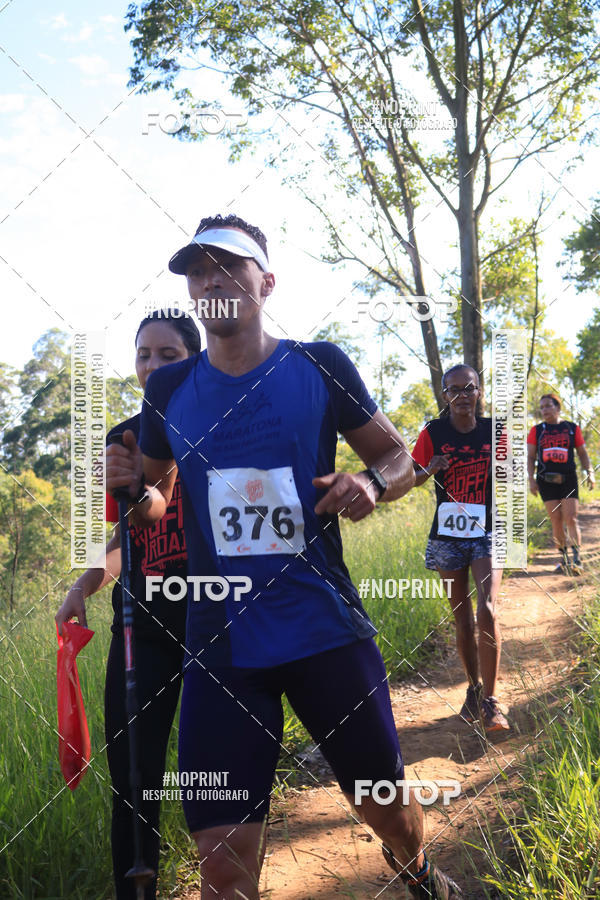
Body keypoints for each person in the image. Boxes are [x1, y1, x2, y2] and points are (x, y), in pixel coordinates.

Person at [106, 214, 463, 899]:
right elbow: (156, 495)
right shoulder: (169, 392)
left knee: (382, 801)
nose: (211, 279)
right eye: (198, 270)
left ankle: (414, 867)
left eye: (228, 266)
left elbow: (399, 458)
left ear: (265, 282)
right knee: (221, 856)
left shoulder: (319, 365)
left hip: (318, 623)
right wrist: (129, 486)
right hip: (219, 643)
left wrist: (370, 483)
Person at [56, 309, 201, 900]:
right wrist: (82, 585)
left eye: (168, 355)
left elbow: (156, 502)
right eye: (144, 354)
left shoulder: (218, 426)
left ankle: (229, 875)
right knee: (133, 776)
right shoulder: (123, 437)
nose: (152, 365)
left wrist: (140, 493)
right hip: (140, 619)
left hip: (212, 615)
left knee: (213, 771)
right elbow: (128, 534)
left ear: (196, 357)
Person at [412, 364, 509, 734]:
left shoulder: (493, 430)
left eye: (469, 388)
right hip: (448, 534)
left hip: (487, 530)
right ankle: (473, 688)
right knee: (462, 619)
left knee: (487, 609)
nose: (462, 395)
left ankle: (491, 701)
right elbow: (410, 477)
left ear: (479, 391)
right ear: (444, 394)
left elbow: (509, 475)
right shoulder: (433, 432)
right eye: (454, 389)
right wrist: (430, 469)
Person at [527, 393, 595, 574]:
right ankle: (563, 560)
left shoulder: (571, 428)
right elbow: (530, 456)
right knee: (556, 520)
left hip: (568, 478)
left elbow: (582, 453)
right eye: (542, 407)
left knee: (571, 517)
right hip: (546, 480)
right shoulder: (537, 430)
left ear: (558, 408)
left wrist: (590, 473)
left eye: (548, 406)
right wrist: (531, 479)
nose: (544, 410)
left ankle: (577, 560)